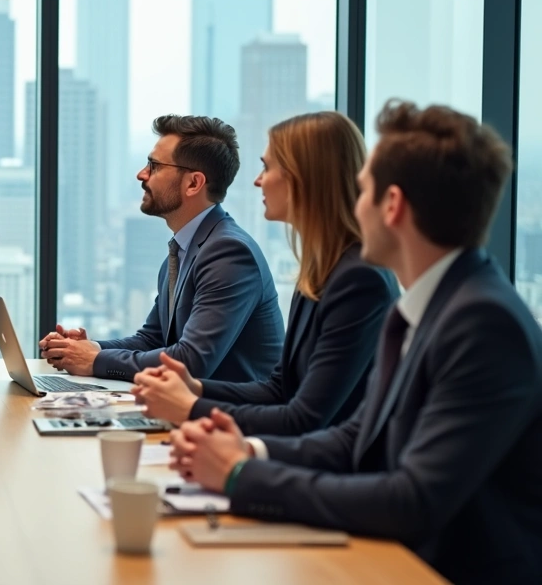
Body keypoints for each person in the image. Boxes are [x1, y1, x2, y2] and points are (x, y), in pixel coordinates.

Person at [168, 101, 542, 584]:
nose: (353, 202)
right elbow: (356, 441)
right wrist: (247, 453)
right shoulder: (430, 307)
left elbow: (413, 501)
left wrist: (241, 475)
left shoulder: (483, 323)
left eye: (362, 190)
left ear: (392, 206)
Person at [133, 112, 398, 435]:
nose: (259, 180)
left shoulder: (358, 279)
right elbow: (279, 389)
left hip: (331, 469)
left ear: (304, 177)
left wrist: (191, 407)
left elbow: (306, 418)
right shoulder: (319, 270)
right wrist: (195, 388)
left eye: (268, 167)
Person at [41, 115, 283, 383]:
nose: (142, 174)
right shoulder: (184, 248)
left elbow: (191, 362)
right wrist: (89, 349)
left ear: (193, 183)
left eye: (154, 166)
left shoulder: (229, 253)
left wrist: (95, 361)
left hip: (233, 420)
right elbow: (152, 339)